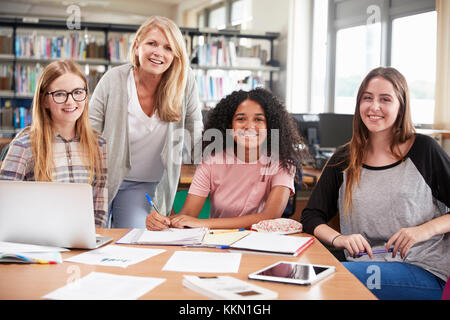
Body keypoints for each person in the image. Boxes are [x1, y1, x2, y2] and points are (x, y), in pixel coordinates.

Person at [301, 67, 450, 300]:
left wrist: (423, 230)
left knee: (331, 277)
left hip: (423, 270)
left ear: (401, 106)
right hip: (363, 267)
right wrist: (339, 239)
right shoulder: (344, 159)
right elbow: (311, 216)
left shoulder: (424, 150)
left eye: (385, 99)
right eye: (367, 98)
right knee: (316, 274)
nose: (374, 107)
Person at [89, 16, 203, 228]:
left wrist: (213, 168)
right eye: (152, 43)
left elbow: (194, 129)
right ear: (136, 47)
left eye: (168, 48)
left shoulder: (184, 82)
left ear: (175, 55)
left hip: (143, 185)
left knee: (136, 242)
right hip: (101, 180)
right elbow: (89, 131)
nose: (158, 52)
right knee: (91, 240)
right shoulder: (113, 79)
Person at [146, 88, 305, 230]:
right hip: (218, 245)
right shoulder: (212, 162)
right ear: (229, 127)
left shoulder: (281, 164)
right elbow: (187, 215)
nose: (249, 126)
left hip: (262, 245)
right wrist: (162, 221)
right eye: (241, 119)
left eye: (258, 119)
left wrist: (202, 223)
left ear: (269, 127)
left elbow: (269, 216)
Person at [0, 59, 108, 227]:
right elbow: (4, 205)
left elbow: (99, 208)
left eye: (78, 92)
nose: (71, 101)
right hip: (37, 241)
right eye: (60, 94)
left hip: (83, 242)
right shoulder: (24, 145)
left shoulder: (98, 145)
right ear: (44, 101)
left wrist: (93, 238)